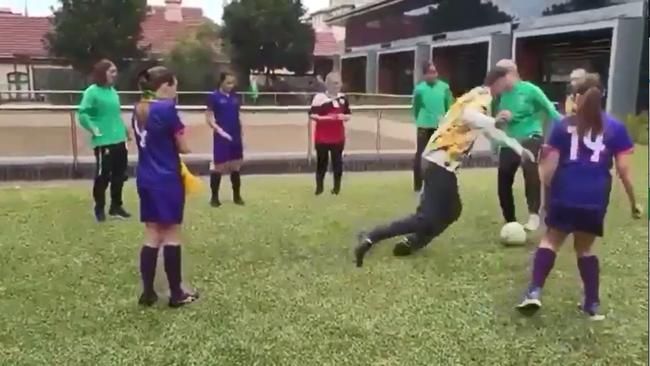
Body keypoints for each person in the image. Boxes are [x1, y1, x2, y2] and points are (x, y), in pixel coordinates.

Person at [353, 67, 536, 267]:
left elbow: (491, 132)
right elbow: (469, 116)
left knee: (452, 211)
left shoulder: (479, 95)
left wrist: (518, 149)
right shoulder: (482, 97)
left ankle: (411, 242)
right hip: (440, 161)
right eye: (513, 76)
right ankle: (372, 236)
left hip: (438, 161)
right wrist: (495, 120)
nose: (517, 81)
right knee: (426, 218)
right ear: (500, 80)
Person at [516, 74, 642, 320]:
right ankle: (591, 305)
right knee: (585, 248)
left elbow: (549, 167)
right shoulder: (616, 127)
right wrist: (634, 201)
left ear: (577, 97)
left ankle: (533, 292)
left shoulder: (563, 125)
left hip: (566, 190)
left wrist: (546, 199)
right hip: (595, 196)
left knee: (551, 240)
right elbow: (624, 170)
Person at [132, 66, 199, 308]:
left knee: (152, 233)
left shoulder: (139, 108)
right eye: (175, 86)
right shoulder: (167, 109)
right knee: (171, 233)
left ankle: (148, 292)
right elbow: (182, 146)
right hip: (167, 178)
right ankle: (176, 294)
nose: (176, 92)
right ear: (165, 86)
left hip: (145, 177)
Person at [492, 59, 562, 231]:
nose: (498, 81)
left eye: (501, 76)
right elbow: (493, 123)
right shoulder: (500, 95)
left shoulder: (530, 90)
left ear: (511, 73)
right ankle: (510, 221)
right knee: (503, 179)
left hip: (531, 136)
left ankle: (534, 214)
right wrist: (498, 121)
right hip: (509, 141)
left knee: (529, 165)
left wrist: (570, 130)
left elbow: (551, 111)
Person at [77, 59, 131, 222]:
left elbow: (115, 115)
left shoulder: (113, 92)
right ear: (103, 73)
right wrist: (93, 128)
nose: (115, 75)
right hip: (103, 141)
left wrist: (125, 131)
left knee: (119, 174)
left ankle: (116, 207)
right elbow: (83, 113)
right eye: (111, 72)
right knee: (103, 176)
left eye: (115, 72)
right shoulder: (92, 92)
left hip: (119, 139)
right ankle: (99, 208)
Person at [411, 62, 453, 192]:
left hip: (440, 126)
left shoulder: (444, 87)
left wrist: (447, 120)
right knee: (422, 154)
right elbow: (416, 107)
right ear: (424, 75)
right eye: (429, 72)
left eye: (434, 72)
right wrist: (420, 119)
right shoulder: (420, 89)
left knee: (441, 154)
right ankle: (418, 185)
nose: (433, 75)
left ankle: (438, 182)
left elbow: (449, 105)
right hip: (424, 125)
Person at [309, 72, 351, 195]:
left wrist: (343, 116)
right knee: (322, 163)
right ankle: (319, 188)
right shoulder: (319, 98)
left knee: (337, 163)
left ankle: (336, 188)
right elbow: (312, 114)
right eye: (335, 83)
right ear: (328, 84)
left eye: (339, 83)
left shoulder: (343, 98)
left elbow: (348, 114)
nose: (338, 86)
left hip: (338, 137)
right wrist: (326, 118)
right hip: (322, 138)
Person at [206, 72, 245, 207]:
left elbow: (237, 115)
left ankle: (237, 196)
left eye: (232, 83)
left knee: (236, 165)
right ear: (221, 82)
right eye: (228, 82)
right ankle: (214, 198)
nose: (231, 86)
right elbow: (209, 118)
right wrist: (219, 130)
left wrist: (241, 132)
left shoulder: (235, 98)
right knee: (219, 165)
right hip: (221, 136)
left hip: (235, 135)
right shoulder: (214, 97)